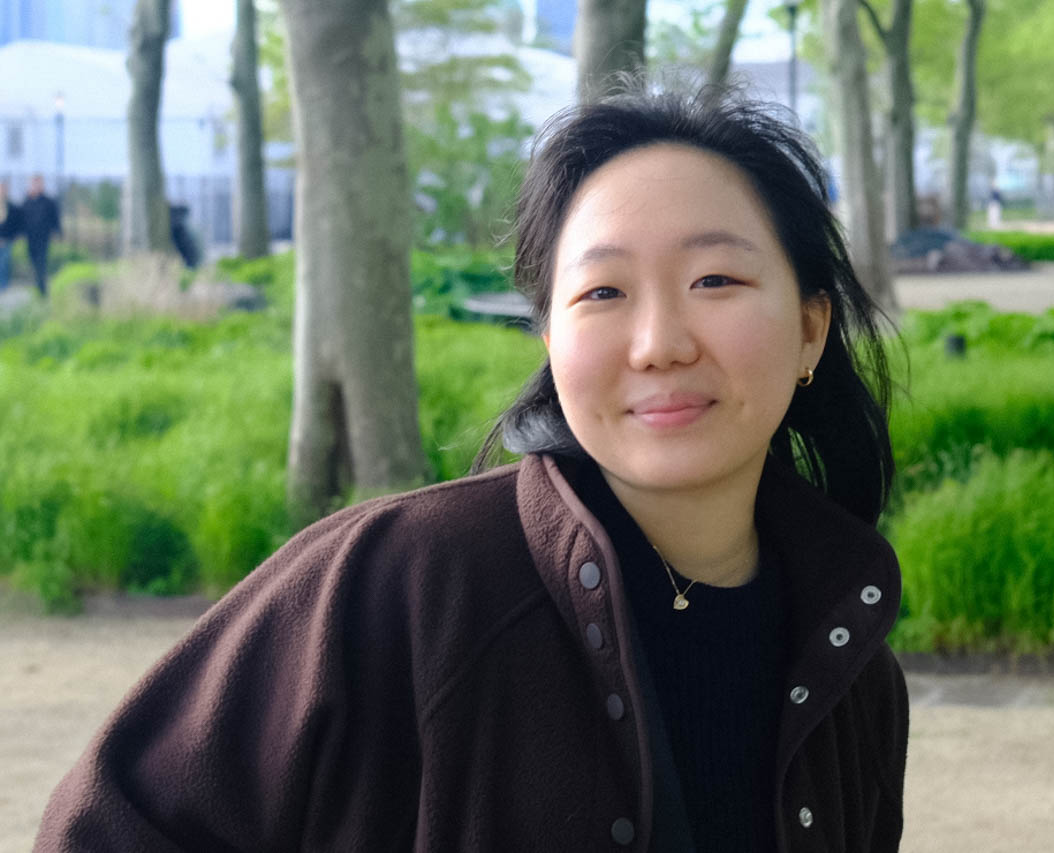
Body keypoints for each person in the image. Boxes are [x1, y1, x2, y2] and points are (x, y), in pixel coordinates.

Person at [37, 84, 907, 852]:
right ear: (551, 339)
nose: (659, 345)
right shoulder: (390, 585)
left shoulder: (851, 672)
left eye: (715, 279)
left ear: (809, 328)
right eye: (603, 292)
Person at [21, 174, 61, 297]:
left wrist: (57, 232)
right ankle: (39, 287)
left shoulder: (48, 202)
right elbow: (21, 220)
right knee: (34, 262)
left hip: (43, 238)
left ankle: (42, 291)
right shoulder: (27, 201)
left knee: (41, 264)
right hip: (30, 238)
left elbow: (55, 218)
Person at [0, 180, 20, 291]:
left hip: (7, 240)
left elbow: (15, 224)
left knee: (4, 264)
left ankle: (3, 286)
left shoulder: (12, 207)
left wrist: (10, 238)